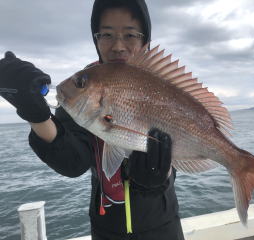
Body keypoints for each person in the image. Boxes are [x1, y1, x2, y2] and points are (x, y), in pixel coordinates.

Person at [0, 0, 185, 239]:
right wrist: (36, 115)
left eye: (130, 34)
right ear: (96, 39)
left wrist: (159, 178)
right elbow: (73, 161)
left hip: (162, 225)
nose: (118, 46)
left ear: (144, 41)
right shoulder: (83, 89)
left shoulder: (163, 85)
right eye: (107, 34)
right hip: (106, 228)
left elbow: (183, 140)